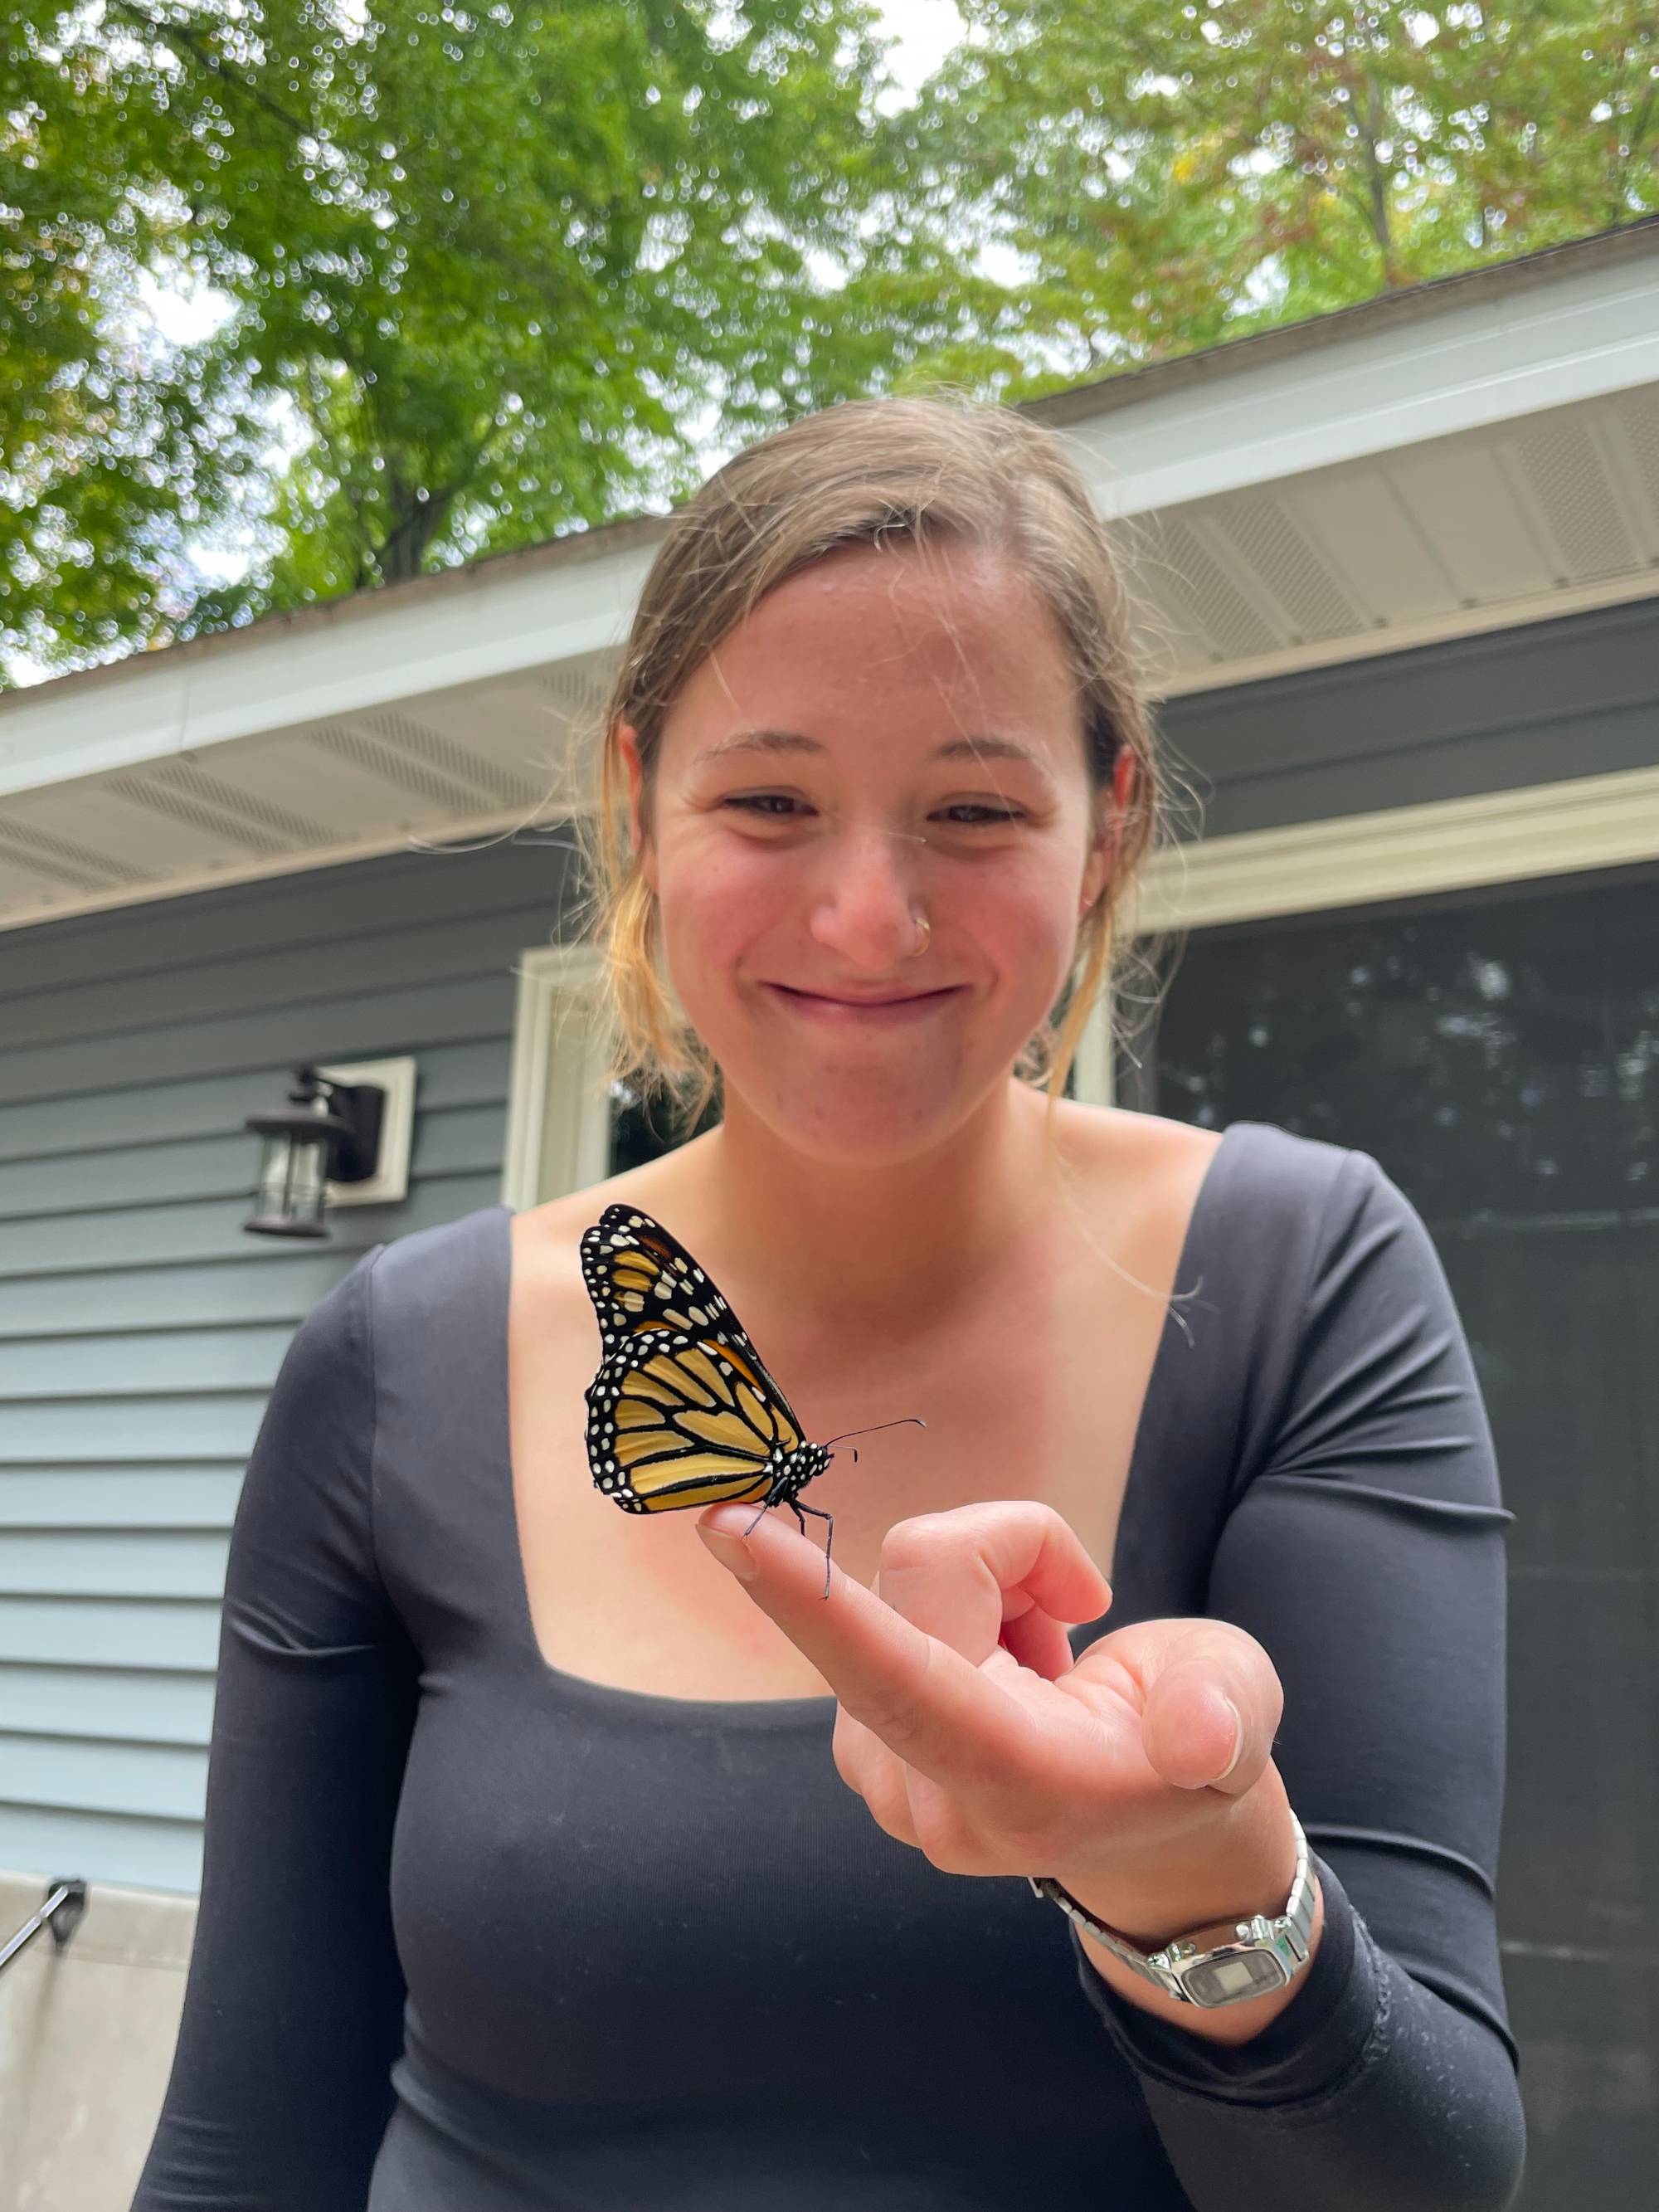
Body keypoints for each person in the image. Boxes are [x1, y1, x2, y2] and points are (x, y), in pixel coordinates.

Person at [129, 394, 1526, 2211]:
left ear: (1102, 829)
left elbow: (1428, 2184)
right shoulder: (399, 1357)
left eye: (969, 807)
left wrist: (1192, 1881)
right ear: (638, 803)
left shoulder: (1300, 1278)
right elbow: (247, 2144)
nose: (868, 918)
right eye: (770, 799)